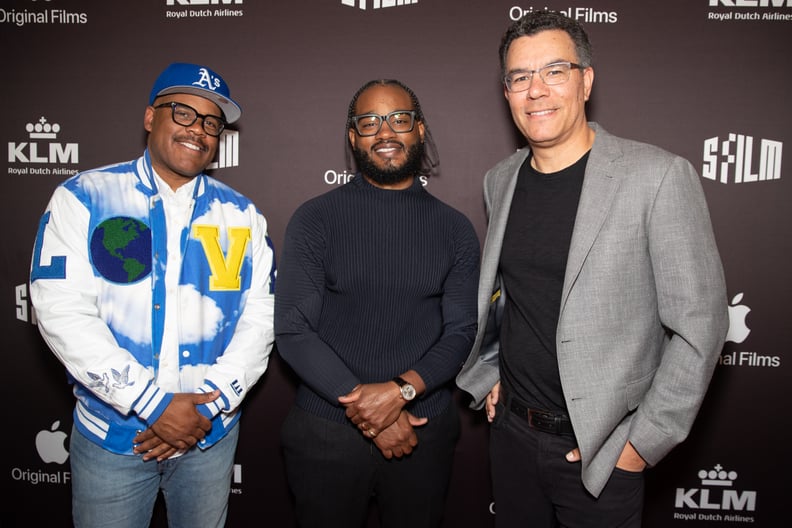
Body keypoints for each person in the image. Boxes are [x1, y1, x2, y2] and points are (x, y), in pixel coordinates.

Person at [456, 11, 729, 528]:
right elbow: (509, 294)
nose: (536, 90)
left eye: (554, 71)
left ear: (585, 80)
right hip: (511, 436)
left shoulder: (657, 177)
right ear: (506, 91)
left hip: (602, 455)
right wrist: (491, 367)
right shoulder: (501, 180)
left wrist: (640, 444)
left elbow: (701, 326)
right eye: (519, 77)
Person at [29, 62, 276, 527]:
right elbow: (61, 312)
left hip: (209, 437)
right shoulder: (84, 196)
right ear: (150, 117)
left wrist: (207, 404)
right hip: (115, 439)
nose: (198, 131)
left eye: (210, 122)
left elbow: (260, 319)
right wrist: (154, 405)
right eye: (183, 113)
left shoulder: (242, 215)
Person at [274, 79, 480, 528]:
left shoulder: (455, 228)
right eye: (369, 122)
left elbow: (462, 331)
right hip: (326, 432)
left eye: (398, 120)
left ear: (419, 130)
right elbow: (293, 328)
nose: (385, 133)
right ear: (353, 137)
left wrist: (400, 392)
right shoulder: (316, 218)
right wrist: (375, 413)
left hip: (422, 431)